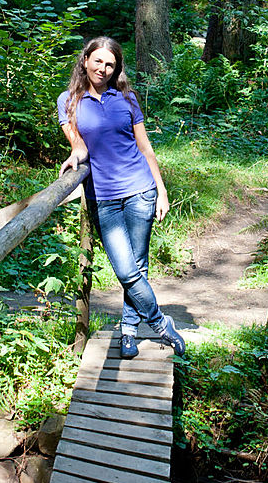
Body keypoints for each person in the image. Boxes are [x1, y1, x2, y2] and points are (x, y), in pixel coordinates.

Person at [57, 36, 185, 359]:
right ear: (85, 60)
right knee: (126, 271)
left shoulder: (126, 98)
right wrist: (74, 154)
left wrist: (162, 191)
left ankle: (128, 331)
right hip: (105, 198)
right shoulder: (69, 101)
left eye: (110, 64)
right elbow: (79, 146)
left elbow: (145, 147)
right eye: (98, 61)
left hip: (141, 190)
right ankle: (161, 324)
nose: (103, 68)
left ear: (117, 69)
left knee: (137, 266)